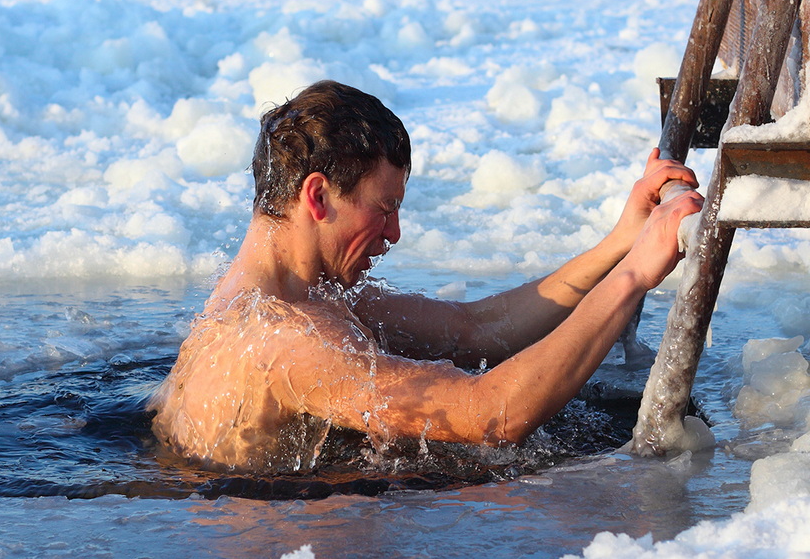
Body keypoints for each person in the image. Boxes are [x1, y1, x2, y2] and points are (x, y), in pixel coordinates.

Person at [148, 80, 704, 473]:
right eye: (384, 208)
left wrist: (621, 242)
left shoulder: (284, 300)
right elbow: (491, 415)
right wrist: (633, 276)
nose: (394, 234)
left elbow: (475, 329)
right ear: (317, 195)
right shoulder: (288, 341)